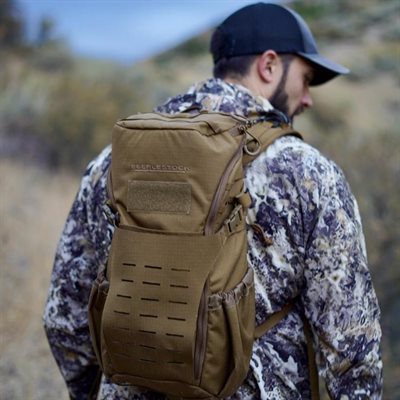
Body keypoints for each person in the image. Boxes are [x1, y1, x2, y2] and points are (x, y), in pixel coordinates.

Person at [43, 3, 383, 399]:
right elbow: (351, 346)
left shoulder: (113, 161)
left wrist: (90, 392)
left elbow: (65, 320)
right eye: (305, 79)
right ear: (269, 65)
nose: (307, 98)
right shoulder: (308, 174)